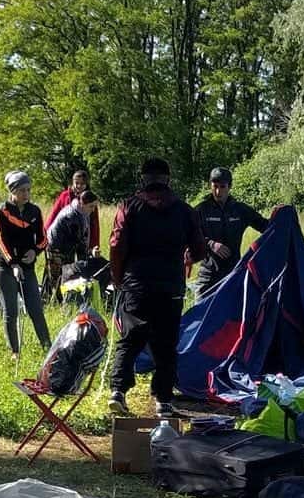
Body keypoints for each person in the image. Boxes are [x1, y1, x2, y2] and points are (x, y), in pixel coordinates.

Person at [106, 157, 205, 417]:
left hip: (136, 284)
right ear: (167, 179)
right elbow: (199, 249)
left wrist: (117, 278)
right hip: (170, 287)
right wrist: (186, 255)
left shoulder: (129, 207)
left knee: (129, 339)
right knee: (166, 344)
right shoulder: (185, 211)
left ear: (143, 179)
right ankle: (163, 399)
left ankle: (118, 391)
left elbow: (116, 245)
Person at [0, 170, 49, 356]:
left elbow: (43, 239)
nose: (26, 194)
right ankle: (14, 352)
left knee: (36, 310)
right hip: (6, 269)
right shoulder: (2, 212)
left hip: (28, 268)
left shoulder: (35, 211)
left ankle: (48, 348)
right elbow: (1, 241)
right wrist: (13, 263)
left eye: (28, 190)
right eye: (22, 190)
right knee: (11, 312)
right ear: (12, 191)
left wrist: (35, 251)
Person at [191, 166, 269, 297]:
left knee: (233, 317)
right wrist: (211, 244)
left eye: (222, 187)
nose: (218, 191)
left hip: (233, 275)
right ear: (209, 185)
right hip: (207, 277)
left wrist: (283, 217)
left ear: (230, 186)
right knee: (202, 317)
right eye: (214, 186)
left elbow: (266, 227)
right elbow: (189, 236)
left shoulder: (240, 210)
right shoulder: (201, 210)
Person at [46, 189, 99, 276]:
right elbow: (78, 241)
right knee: (57, 277)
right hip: (56, 247)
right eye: (91, 206)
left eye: (94, 206)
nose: (93, 210)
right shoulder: (71, 215)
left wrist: (89, 252)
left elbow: (83, 238)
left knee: (68, 274)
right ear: (82, 203)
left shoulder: (84, 212)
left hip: (67, 246)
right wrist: (90, 253)